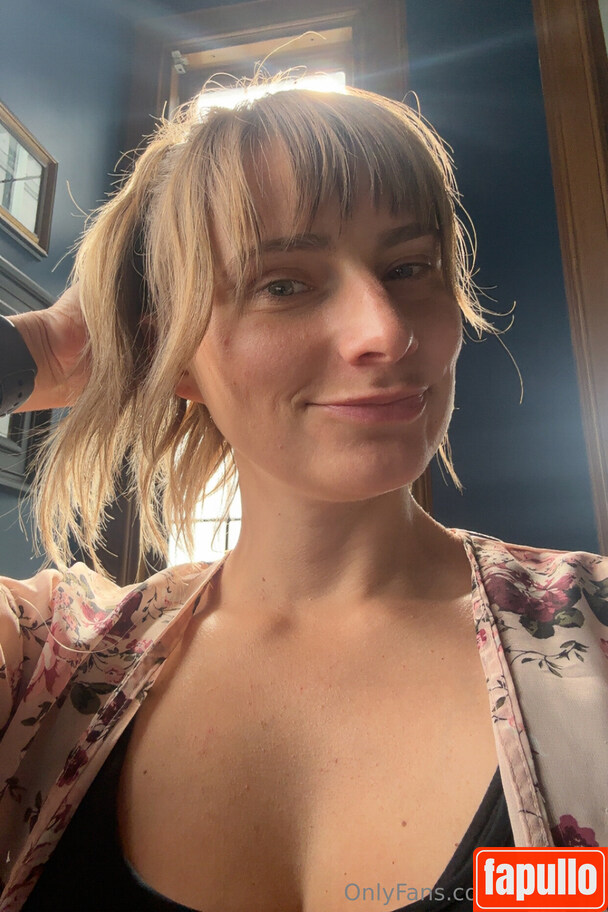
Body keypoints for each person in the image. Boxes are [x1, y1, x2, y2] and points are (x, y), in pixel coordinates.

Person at [0, 83, 606, 912]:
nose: (385, 331)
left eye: (409, 268)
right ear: (172, 352)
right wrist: (43, 348)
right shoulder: (48, 662)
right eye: (283, 285)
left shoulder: (595, 632)